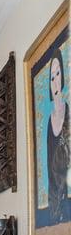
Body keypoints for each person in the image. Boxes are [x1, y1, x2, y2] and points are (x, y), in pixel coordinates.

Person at [45, 52, 70, 221]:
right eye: (51, 77)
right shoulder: (49, 121)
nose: (55, 81)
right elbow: (49, 168)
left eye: (58, 73)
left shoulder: (69, 112)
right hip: (55, 199)